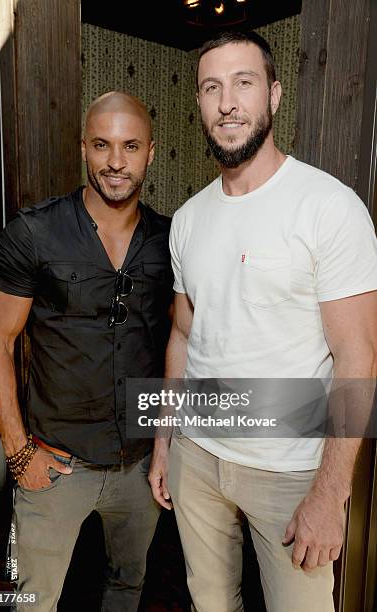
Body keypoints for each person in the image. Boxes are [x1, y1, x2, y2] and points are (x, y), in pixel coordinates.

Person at [148, 31, 377, 612]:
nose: (227, 102)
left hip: (290, 471)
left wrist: (330, 495)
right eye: (211, 87)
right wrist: (164, 442)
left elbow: (358, 358)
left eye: (243, 83)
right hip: (196, 457)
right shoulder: (189, 220)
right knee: (210, 602)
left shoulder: (329, 206)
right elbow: (182, 333)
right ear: (199, 102)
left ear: (273, 95)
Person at [0, 91, 173, 611]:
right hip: (54, 463)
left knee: (126, 588)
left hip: (138, 466)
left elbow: (186, 342)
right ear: (82, 148)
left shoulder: (170, 241)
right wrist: (21, 456)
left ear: (150, 152)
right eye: (102, 145)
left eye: (130, 146)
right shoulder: (33, 233)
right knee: (34, 600)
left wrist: (166, 446)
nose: (115, 161)